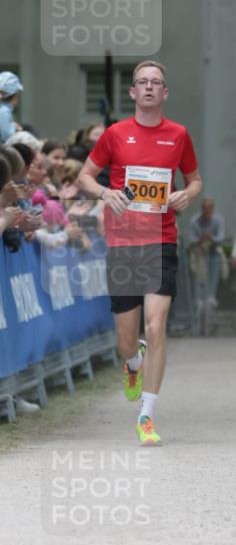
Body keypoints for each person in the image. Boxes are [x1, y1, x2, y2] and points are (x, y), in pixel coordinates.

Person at [78, 60, 202, 446]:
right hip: (124, 243)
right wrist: (105, 192)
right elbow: (84, 176)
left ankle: (146, 415)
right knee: (126, 339)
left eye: (156, 83)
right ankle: (132, 364)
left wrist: (186, 194)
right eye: (142, 82)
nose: (149, 87)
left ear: (165, 93)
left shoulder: (178, 135)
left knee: (156, 325)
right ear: (132, 92)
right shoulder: (115, 134)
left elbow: (195, 180)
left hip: (161, 240)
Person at [188, 198, 225, 307]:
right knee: (198, 273)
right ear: (201, 209)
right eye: (204, 209)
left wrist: (211, 238)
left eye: (209, 209)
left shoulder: (219, 220)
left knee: (214, 269)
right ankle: (198, 298)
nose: (206, 212)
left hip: (213, 251)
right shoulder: (194, 221)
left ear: (213, 209)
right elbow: (191, 239)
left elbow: (221, 237)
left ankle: (211, 296)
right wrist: (200, 239)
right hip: (199, 252)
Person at [0, 71, 23, 143]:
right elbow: (9, 139)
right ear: (15, 94)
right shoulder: (3, 111)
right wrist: (17, 128)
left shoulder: (1, 110)